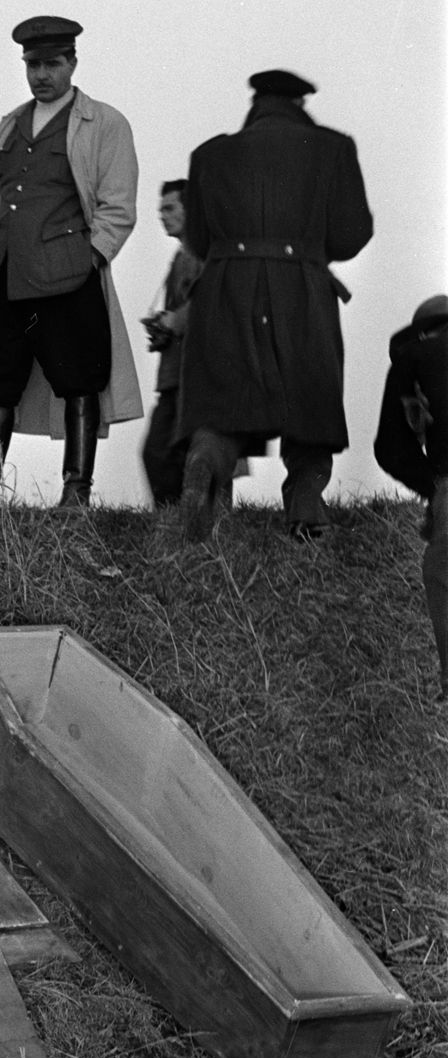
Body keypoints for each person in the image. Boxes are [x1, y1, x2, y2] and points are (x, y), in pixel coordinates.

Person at [177, 70, 375, 541]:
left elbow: (197, 239)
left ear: (256, 105)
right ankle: (306, 506)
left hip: (224, 289)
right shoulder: (334, 148)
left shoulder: (209, 154)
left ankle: (207, 459)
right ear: (300, 104)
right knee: (307, 398)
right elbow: (353, 234)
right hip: (301, 290)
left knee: (224, 399)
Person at [0, 17, 141, 508]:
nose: (42, 74)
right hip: (2, 273)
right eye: (33, 64)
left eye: (52, 63)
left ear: (72, 63)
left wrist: (88, 259)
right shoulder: (11, 123)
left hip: (67, 275)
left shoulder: (104, 122)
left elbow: (118, 208)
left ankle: (76, 492)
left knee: (79, 376)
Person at [371, 295, 448, 698]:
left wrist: (432, 488)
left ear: (423, 331)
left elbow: (391, 448)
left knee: (442, 569)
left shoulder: (414, 357)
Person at [140, 180, 204, 506]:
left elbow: (210, 303)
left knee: (183, 457)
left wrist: (171, 321)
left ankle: (184, 529)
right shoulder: (184, 255)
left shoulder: (200, 254)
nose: (162, 216)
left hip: (193, 378)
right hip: (174, 375)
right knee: (162, 454)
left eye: (169, 208)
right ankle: (176, 527)